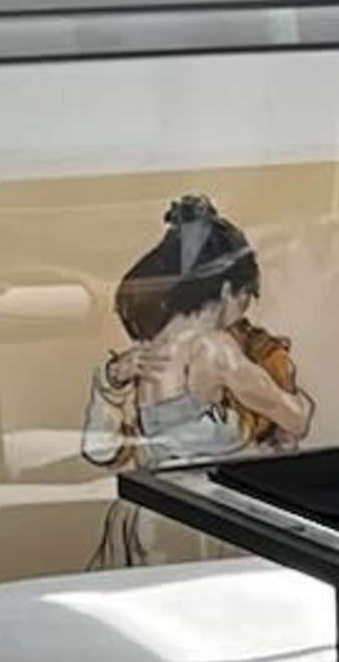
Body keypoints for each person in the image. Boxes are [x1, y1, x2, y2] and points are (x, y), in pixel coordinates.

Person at [81, 198, 314, 562]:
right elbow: (295, 418)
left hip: (152, 518)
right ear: (225, 292)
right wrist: (290, 394)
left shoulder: (156, 343)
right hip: (205, 523)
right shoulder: (213, 349)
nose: (244, 311)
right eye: (245, 298)